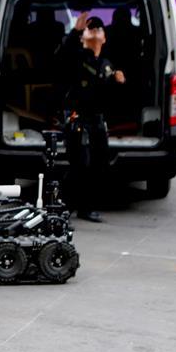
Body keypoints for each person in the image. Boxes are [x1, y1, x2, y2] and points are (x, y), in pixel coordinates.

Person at [57, 13, 126, 223]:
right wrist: (75, 31)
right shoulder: (76, 56)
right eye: (90, 28)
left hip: (96, 120)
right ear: (82, 37)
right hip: (78, 119)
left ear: (104, 38)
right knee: (80, 164)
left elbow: (109, 96)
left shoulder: (106, 63)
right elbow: (61, 55)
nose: (94, 30)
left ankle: (87, 208)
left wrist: (118, 81)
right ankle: (61, 208)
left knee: (98, 163)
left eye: (99, 28)